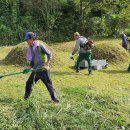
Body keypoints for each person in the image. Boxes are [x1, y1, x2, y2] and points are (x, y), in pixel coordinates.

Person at [23, 32, 59, 103]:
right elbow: (32, 61)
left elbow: (49, 54)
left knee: (48, 85)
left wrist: (47, 64)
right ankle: (26, 99)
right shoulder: (31, 48)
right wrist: (28, 68)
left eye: (27, 40)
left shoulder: (40, 45)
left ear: (31, 39)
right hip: (36, 70)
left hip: (43, 70)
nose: (26, 42)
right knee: (29, 83)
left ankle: (56, 100)